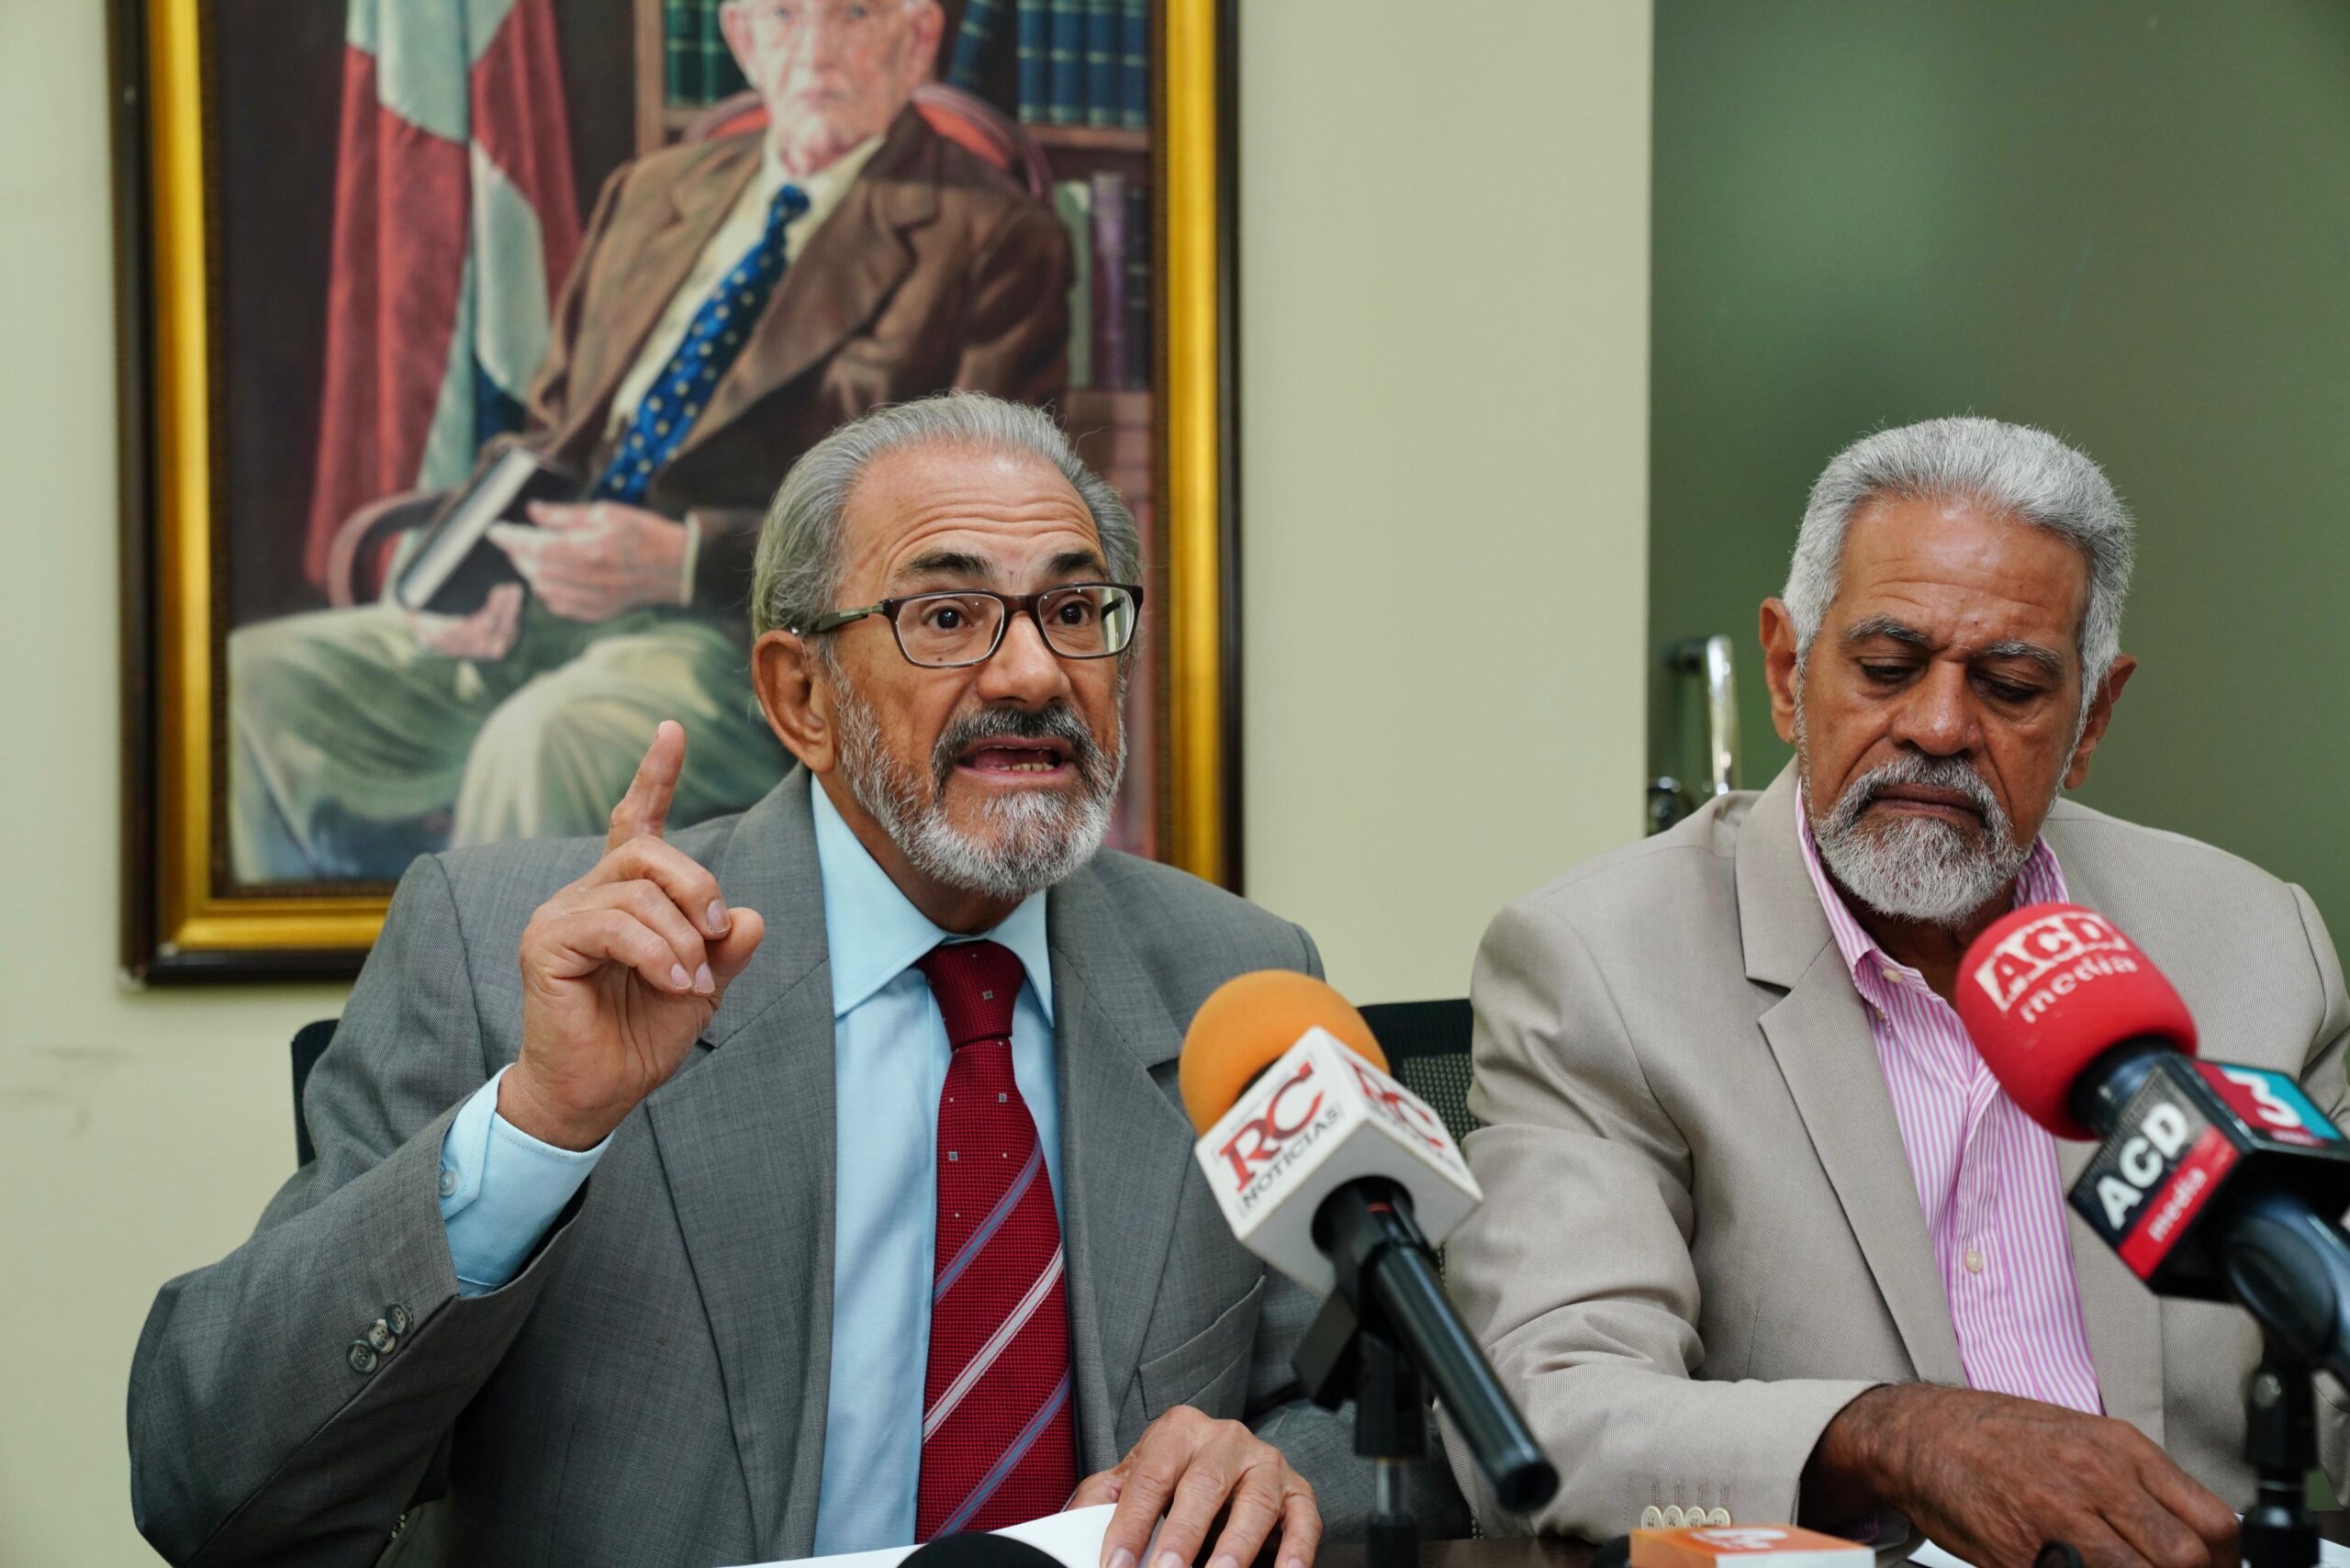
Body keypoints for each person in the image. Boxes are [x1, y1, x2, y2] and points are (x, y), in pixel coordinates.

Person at [132, 396, 1462, 1565]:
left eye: (1074, 611)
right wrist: (539, 1124)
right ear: (800, 697)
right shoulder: (505, 952)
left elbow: (1401, 1424)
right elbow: (209, 1483)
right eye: (947, 616)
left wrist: (1274, 1471)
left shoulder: (1236, 979)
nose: (1034, 672)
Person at [1447, 418, 2350, 1563]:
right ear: (1787, 672)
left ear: (2090, 720)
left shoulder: (2250, 942)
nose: (1936, 726)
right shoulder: (1601, 963)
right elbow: (1541, 1414)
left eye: (2009, 686)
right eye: (1886, 667)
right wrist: (1885, 1435)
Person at [229, 0, 1070, 882]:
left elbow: (963, 530)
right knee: (259, 683)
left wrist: (685, 561)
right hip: (541, 598)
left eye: (854, 14)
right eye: (785, 15)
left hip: (745, 642)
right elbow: (553, 428)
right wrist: (480, 570)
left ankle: (514, 979)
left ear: (918, 39)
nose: (817, 47)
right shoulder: (651, 193)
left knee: (546, 739)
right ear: (742, 37)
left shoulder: (995, 240)